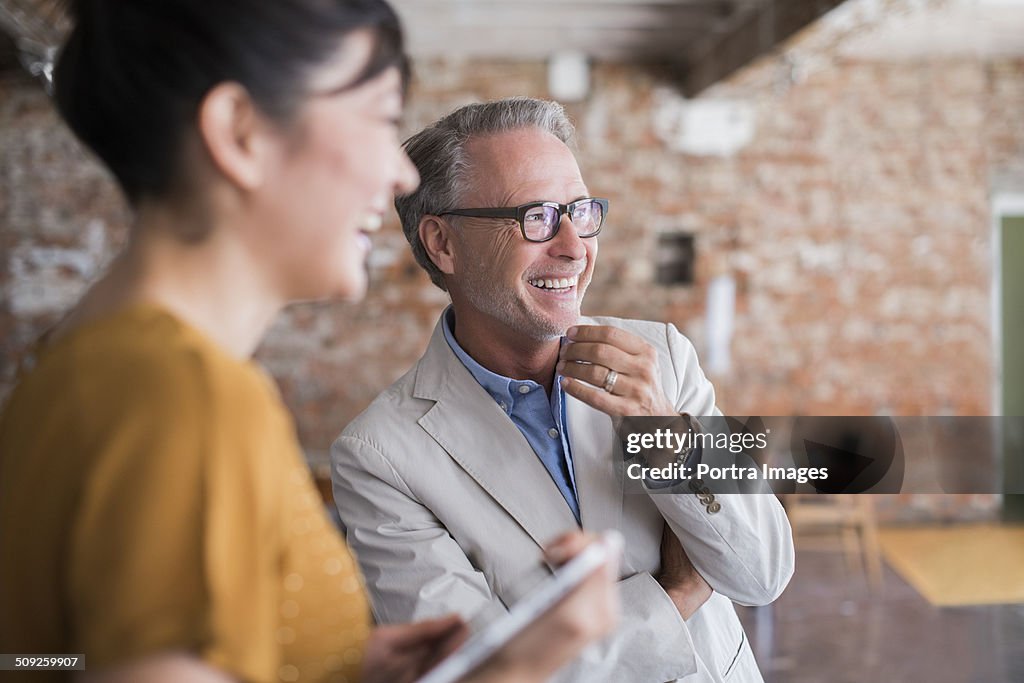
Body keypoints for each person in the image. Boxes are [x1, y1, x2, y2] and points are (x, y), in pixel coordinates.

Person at [0, 5, 619, 683]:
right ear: (240, 134)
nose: (400, 176)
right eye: (378, 120)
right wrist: (526, 663)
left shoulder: (82, 360)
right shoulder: (200, 398)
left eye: (581, 213)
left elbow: (757, 561)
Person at [331, 97, 796, 682]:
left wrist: (670, 440)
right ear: (442, 243)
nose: (575, 247)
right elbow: (483, 674)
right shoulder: (380, 456)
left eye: (580, 211)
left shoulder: (663, 359)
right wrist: (674, 595)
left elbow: (762, 574)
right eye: (538, 217)